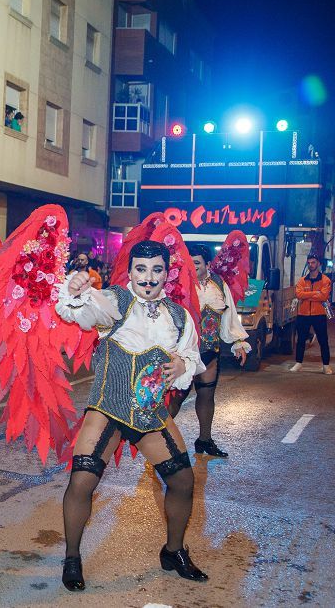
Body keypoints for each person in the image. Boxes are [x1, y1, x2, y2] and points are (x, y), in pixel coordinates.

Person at [56, 240, 208, 591]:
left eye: (156, 269)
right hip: (108, 409)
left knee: (183, 481)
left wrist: (182, 364)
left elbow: (191, 355)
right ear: (131, 271)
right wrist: (77, 290)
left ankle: (173, 551)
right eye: (141, 269)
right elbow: (84, 312)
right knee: (82, 481)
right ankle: (73, 558)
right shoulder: (114, 301)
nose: (148, 277)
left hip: (150, 413)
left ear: (167, 273)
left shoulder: (178, 315)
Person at [167, 244, 250, 458]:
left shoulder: (219, 285)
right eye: (189, 263)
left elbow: (229, 316)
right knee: (176, 398)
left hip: (210, 352)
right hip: (183, 354)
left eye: (197, 263)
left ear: (207, 264)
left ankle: (204, 439)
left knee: (206, 395)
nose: (192, 268)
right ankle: (160, 443)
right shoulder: (177, 284)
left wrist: (238, 342)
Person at [291, 254, 333, 374]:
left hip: (319, 314)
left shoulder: (325, 280)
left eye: (313, 262)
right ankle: (298, 363)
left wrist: (307, 294)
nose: (311, 265)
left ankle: (326, 366)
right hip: (303, 314)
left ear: (318, 263)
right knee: (300, 340)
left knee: (323, 341)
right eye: (309, 263)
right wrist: (316, 294)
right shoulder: (302, 280)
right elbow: (299, 294)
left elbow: (324, 296)